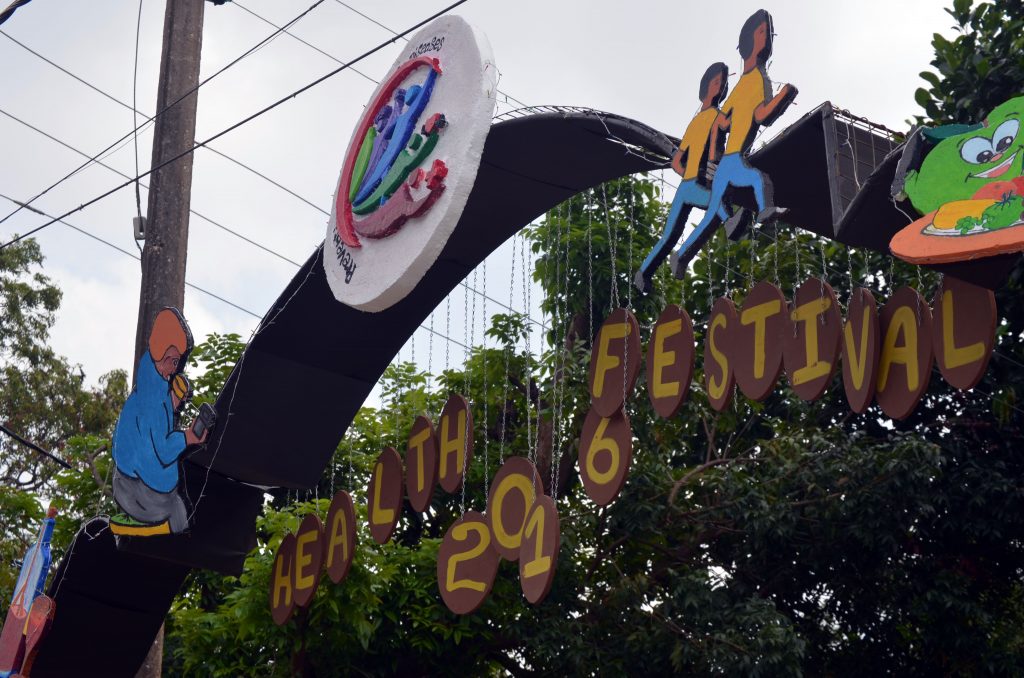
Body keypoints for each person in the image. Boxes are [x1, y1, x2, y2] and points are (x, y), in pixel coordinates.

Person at [672, 9, 798, 279]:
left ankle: (681, 256)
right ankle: (762, 211)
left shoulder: (755, 79)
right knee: (753, 181)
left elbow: (730, 122)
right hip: (730, 160)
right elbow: (756, 116)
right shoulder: (747, 83)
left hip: (731, 159)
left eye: (768, 32)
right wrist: (784, 95)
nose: (767, 38)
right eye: (762, 32)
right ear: (747, 42)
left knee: (716, 214)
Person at [634, 62, 732, 293]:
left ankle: (655, 267)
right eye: (716, 82)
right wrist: (693, 172)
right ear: (706, 87)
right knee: (674, 232)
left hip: (690, 185)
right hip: (689, 184)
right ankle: (654, 268)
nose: (719, 87)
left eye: (723, 84)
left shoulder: (714, 117)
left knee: (676, 230)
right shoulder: (701, 121)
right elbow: (677, 160)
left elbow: (727, 132)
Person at [111, 307, 207, 534]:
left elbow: (150, 429)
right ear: (160, 353)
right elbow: (162, 450)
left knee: (179, 511)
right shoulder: (152, 399)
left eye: (177, 362)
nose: (175, 369)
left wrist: (172, 401)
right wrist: (188, 437)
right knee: (176, 511)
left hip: (127, 484)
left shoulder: (150, 383)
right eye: (173, 361)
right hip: (138, 492)